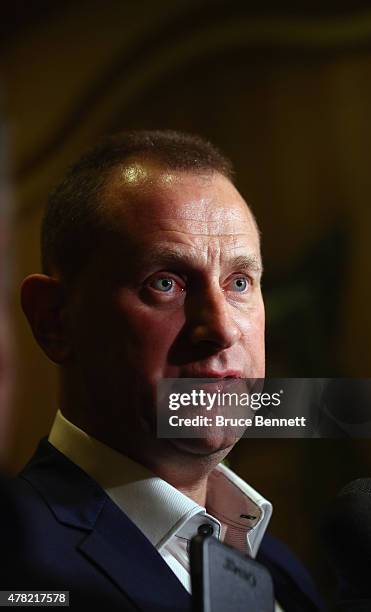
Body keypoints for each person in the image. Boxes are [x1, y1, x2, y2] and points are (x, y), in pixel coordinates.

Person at [10, 130, 325, 611]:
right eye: (166, 283)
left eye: (239, 281)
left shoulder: (281, 572)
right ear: (54, 321)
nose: (221, 328)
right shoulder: (19, 567)